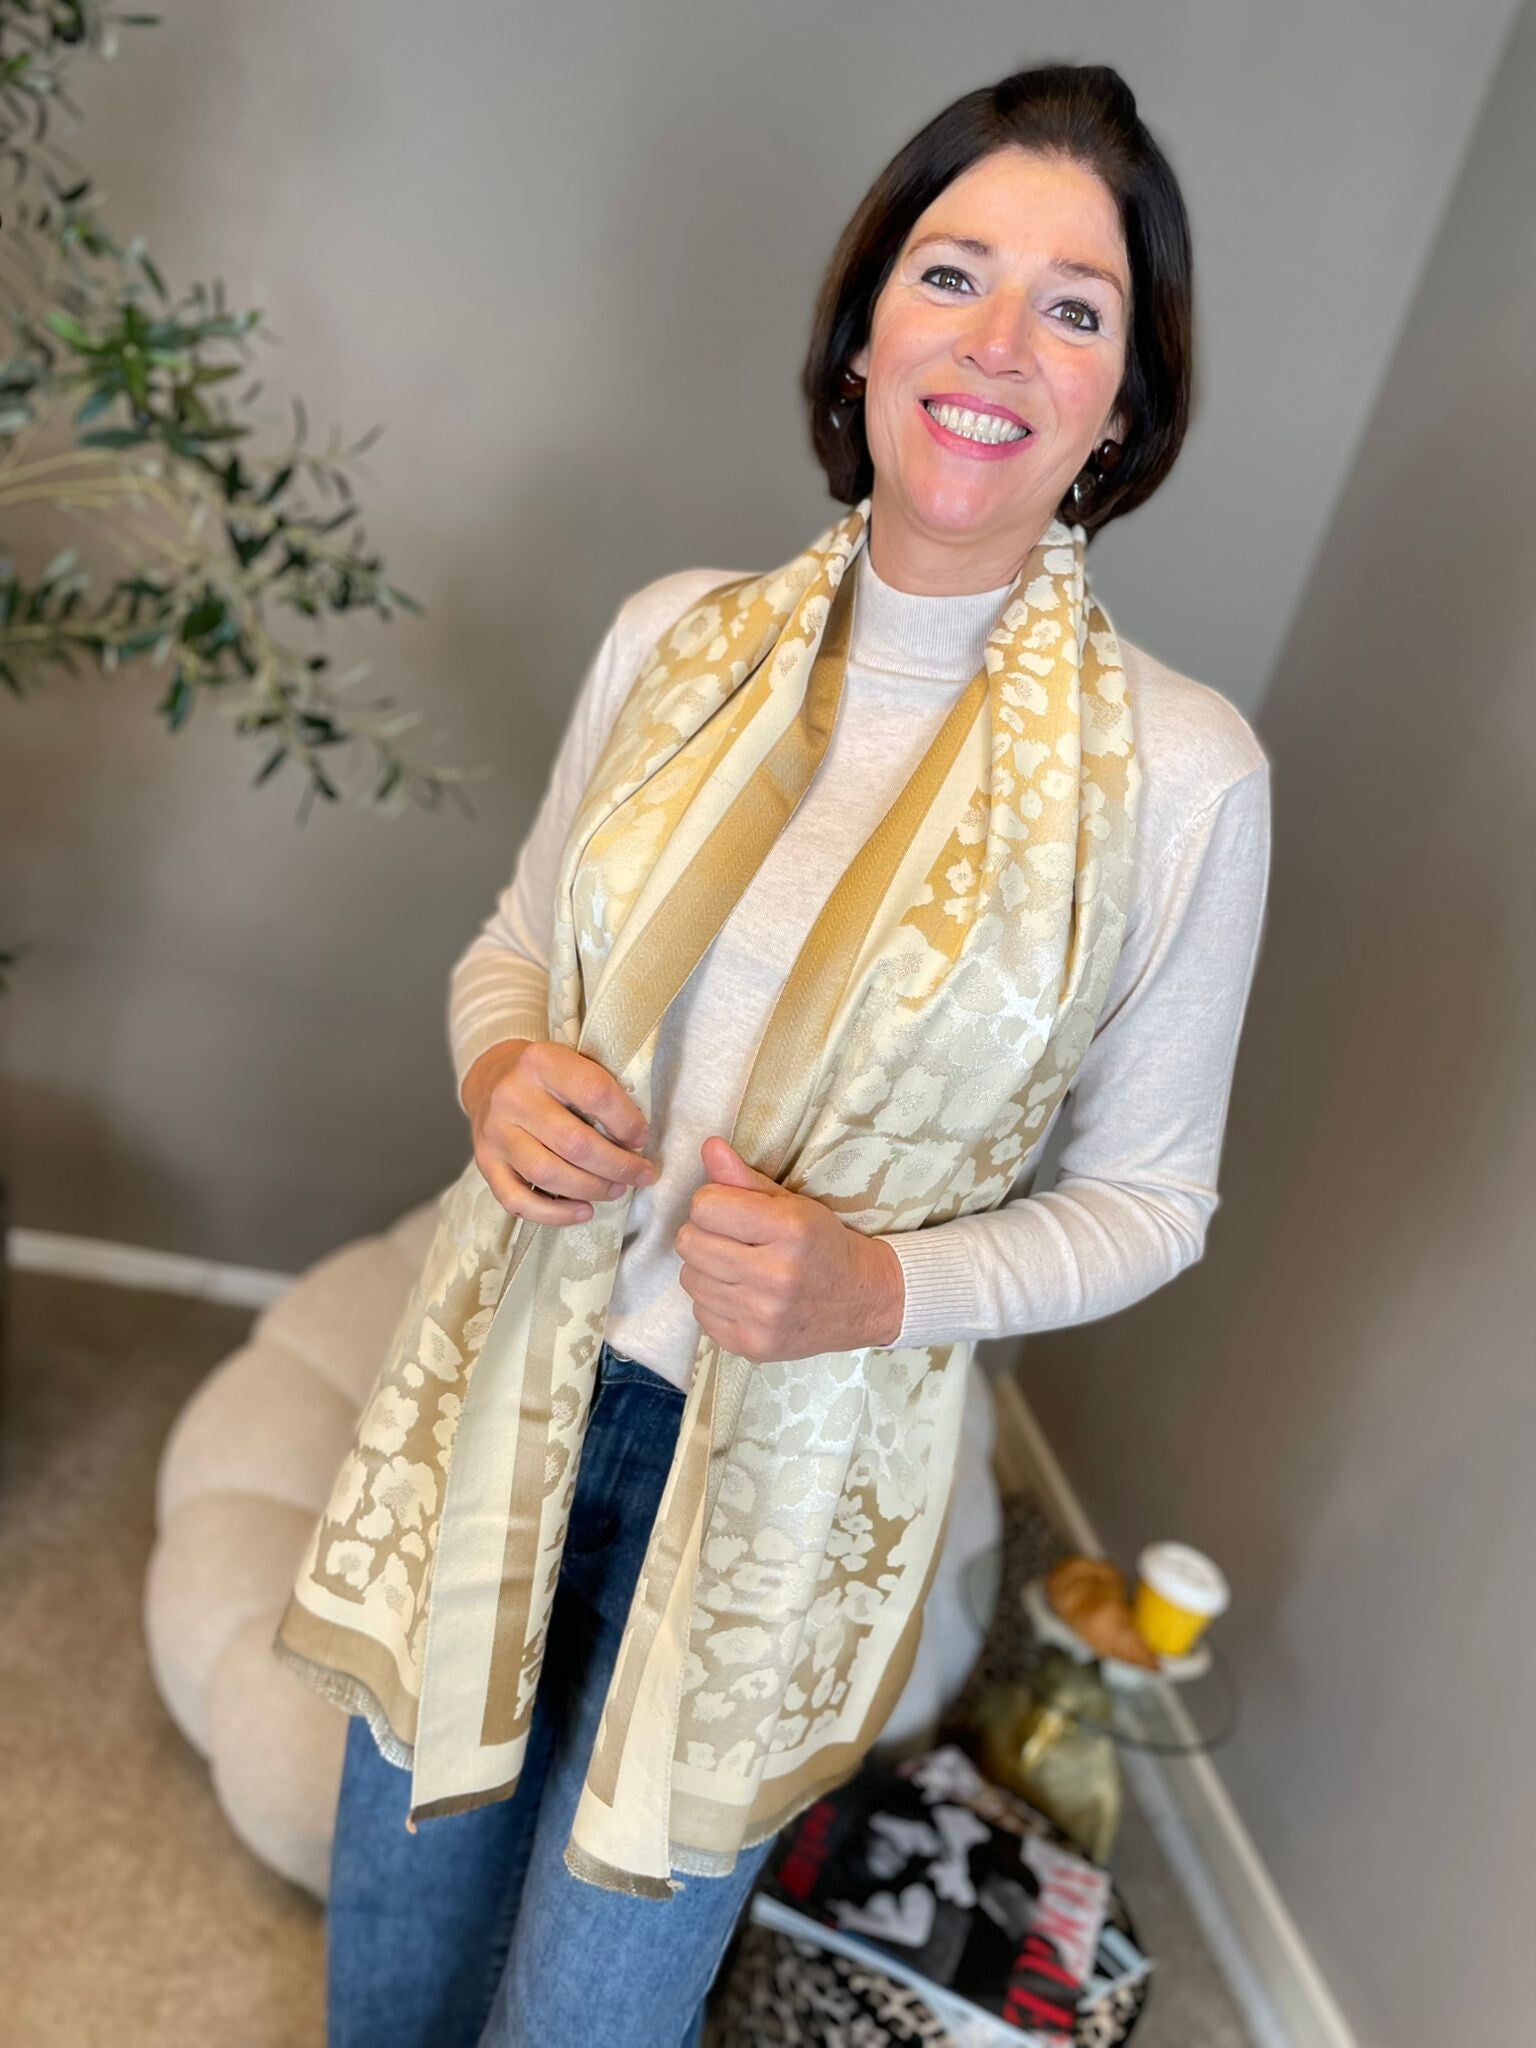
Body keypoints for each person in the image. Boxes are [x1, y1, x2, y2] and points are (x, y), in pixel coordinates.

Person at [318, 60, 1271, 2048]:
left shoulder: (1181, 775)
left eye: (1075, 308)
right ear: (863, 332)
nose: (996, 343)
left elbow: (1154, 1199)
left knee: (589, 2015)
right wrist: (499, 1076)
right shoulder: (675, 636)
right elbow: (515, 948)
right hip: (506, 1386)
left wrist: (879, 1287)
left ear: (1123, 404)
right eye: (952, 273)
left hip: (783, 1493)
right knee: (392, 1973)